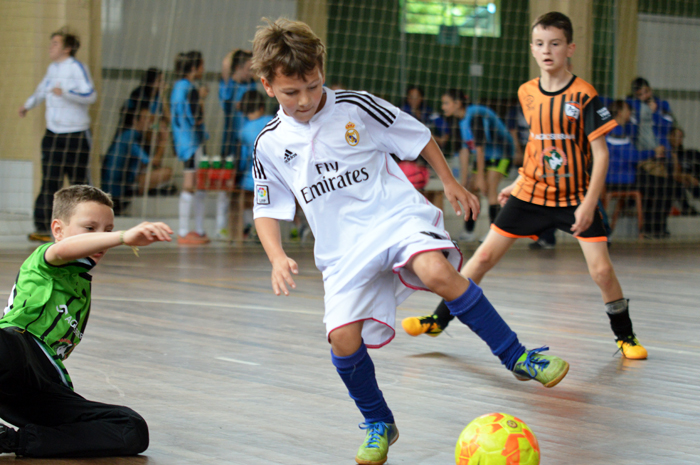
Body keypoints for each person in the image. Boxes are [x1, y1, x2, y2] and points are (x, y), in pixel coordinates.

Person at [250, 18, 569, 465]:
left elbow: (417, 136)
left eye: (312, 86)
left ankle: (518, 357)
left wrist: (451, 181)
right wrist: (277, 255)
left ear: (322, 69)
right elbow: (266, 207)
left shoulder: (357, 107)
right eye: (291, 92)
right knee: (342, 339)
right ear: (268, 86)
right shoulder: (268, 144)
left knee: (437, 270)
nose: (305, 100)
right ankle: (378, 421)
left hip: (394, 216)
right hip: (343, 250)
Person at [402, 12, 647, 362]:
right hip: (530, 193)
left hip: (575, 199)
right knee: (483, 257)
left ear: (570, 48)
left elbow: (601, 155)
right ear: (532, 49)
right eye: (541, 43)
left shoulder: (584, 95)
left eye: (556, 43)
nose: (548, 50)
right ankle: (438, 320)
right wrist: (517, 181)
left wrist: (590, 203)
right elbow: (537, 145)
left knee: (602, 271)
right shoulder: (527, 92)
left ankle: (625, 336)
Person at [0, 185, 172, 458]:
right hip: (14, 349)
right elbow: (65, 249)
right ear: (58, 230)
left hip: (42, 383)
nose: (101, 237)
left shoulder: (82, 286)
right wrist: (123, 236)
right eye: (90, 228)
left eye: (107, 228)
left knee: (130, 427)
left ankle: (11, 441)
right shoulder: (45, 259)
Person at [18, 27, 97, 243]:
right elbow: (41, 91)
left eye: (55, 44)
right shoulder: (52, 69)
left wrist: (67, 93)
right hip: (53, 135)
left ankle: (88, 225)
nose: (50, 47)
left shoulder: (77, 68)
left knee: (78, 183)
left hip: (76, 134)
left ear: (67, 48)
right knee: (49, 180)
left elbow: (90, 95)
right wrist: (27, 105)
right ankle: (44, 226)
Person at [441, 89, 515, 242]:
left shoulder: (475, 115)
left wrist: (480, 176)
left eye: (446, 103)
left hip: (501, 153)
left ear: (457, 103)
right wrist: (461, 181)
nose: (443, 107)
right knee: (471, 188)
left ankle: (495, 233)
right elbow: (464, 151)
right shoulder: (457, 120)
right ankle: (469, 232)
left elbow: (479, 148)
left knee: (489, 188)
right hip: (485, 156)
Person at [171, 51, 219, 245]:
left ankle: (195, 230)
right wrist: (200, 99)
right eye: (201, 65)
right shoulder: (189, 89)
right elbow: (195, 118)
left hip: (183, 140)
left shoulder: (177, 87)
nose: (203, 69)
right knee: (193, 184)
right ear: (194, 68)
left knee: (197, 184)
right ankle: (187, 231)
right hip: (192, 142)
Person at [101, 103, 173, 215]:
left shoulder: (132, 135)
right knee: (167, 172)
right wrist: (164, 140)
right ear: (135, 121)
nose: (150, 122)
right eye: (145, 118)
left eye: (150, 118)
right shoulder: (130, 136)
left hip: (122, 183)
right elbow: (154, 162)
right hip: (118, 190)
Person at [237, 90, 274, 236]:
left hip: (252, 178)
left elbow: (244, 158)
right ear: (261, 107)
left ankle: (249, 226)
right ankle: (296, 228)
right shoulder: (272, 121)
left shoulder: (243, 131)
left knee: (248, 200)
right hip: (275, 175)